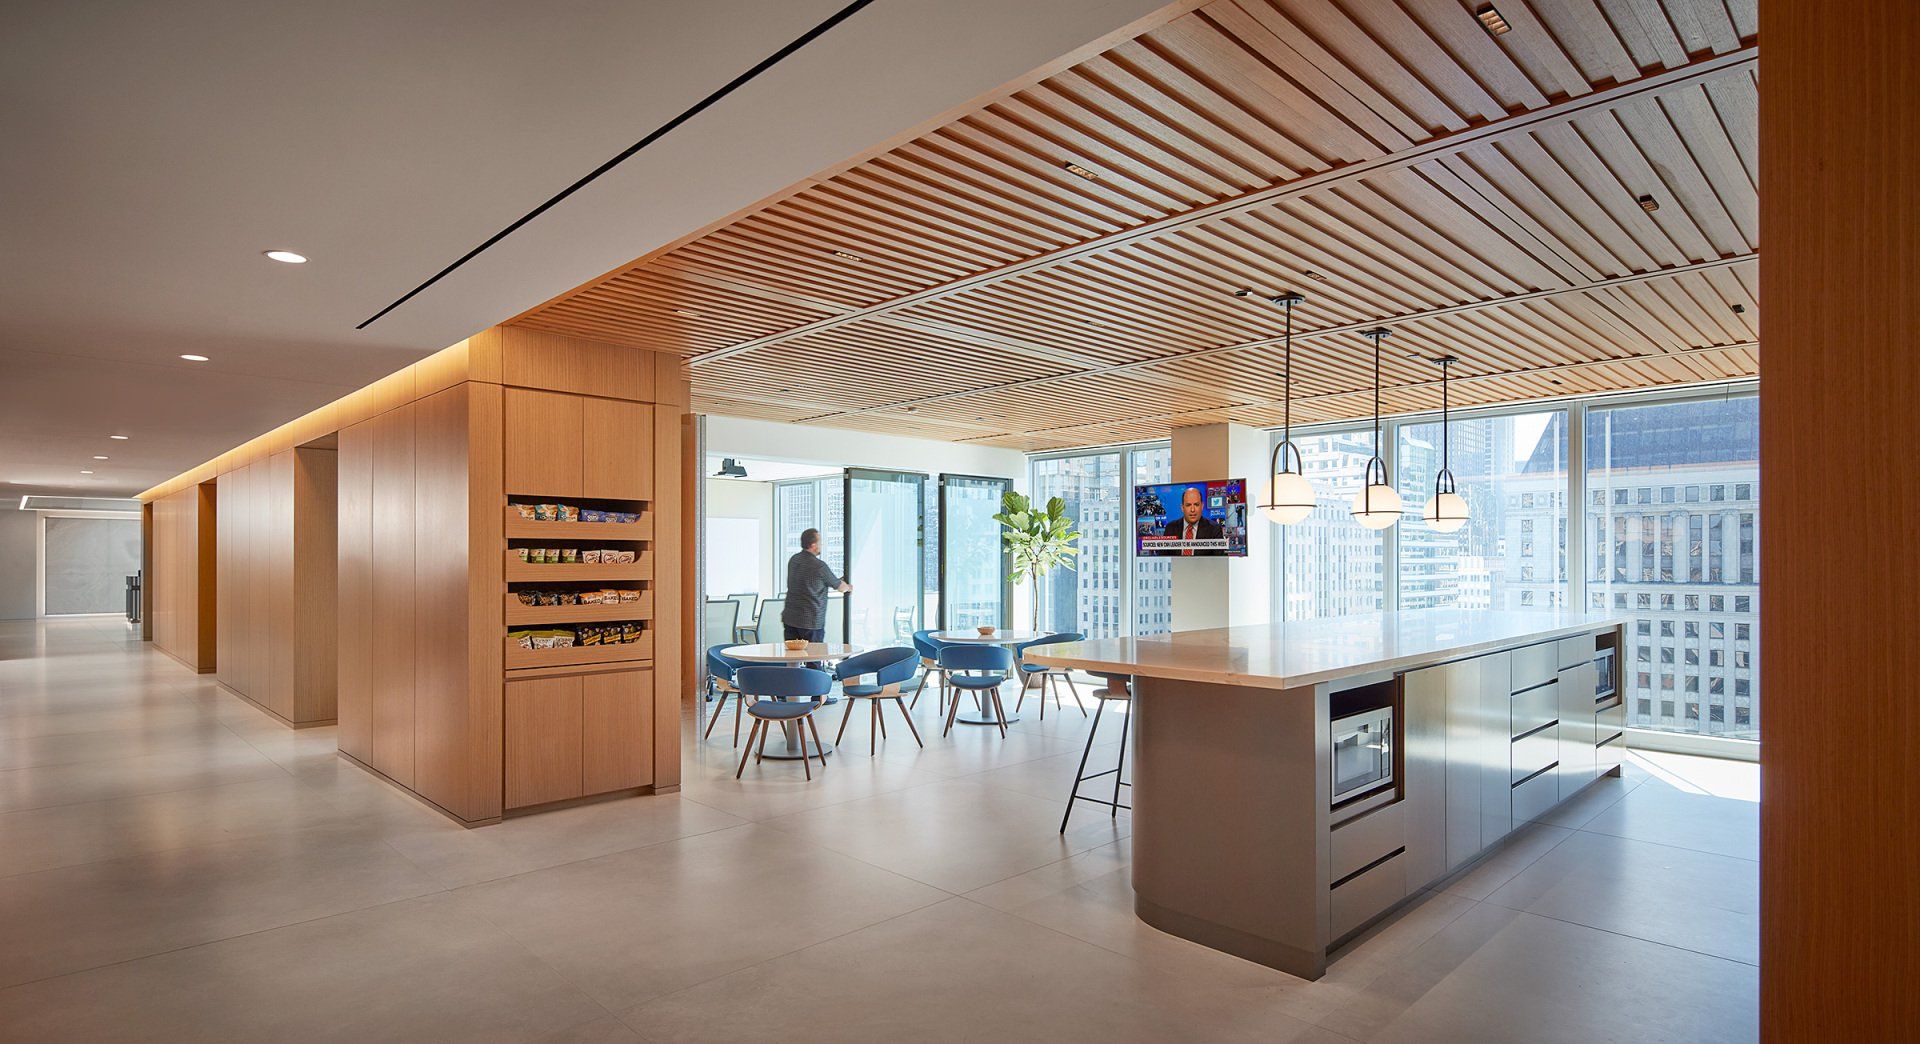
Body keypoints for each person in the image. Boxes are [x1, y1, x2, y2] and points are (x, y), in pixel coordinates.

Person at [782, 528, 850, 644]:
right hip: (811, 621)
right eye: (820, 543)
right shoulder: (819, 566)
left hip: (790, 617)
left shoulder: (794, 560)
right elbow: (840, 587)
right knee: (813, 658)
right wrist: (849, 587)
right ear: (813, 545)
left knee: (792, 656)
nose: (821, 545)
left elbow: (808, 582)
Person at [1161, 486, 1223, 556]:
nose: (1192, 510)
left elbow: (1220, 562)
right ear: (1182, 508)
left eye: (1196, 505)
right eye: (1188, 505)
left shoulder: (1214, 529)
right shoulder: (1170, 528)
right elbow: (1163, 558)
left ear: (1202, 506)